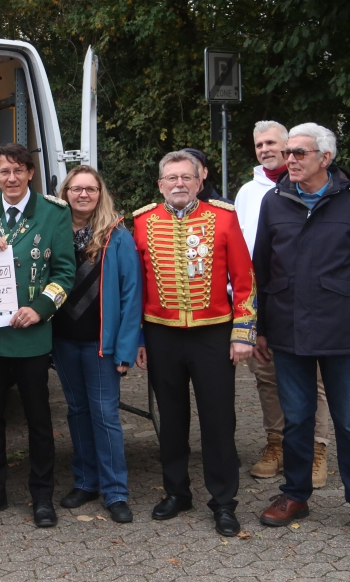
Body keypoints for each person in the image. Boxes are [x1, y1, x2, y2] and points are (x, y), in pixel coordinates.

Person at [253, 123, 350, 544]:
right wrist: (257, 328)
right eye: (288, 152)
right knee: (296, 421)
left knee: (349, 423)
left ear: (324, 159)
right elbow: (260, 267)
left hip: (342, 331)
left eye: (299, 153)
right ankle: (295, 494)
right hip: (288, 330)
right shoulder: (275, 201)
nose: (289, 159)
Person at [134, 150, 255, 537]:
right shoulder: (141, 222)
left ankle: (223, 502)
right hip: (160, 333)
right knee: (170, 419)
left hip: (213, 334)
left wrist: (242, 333)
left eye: (186, 177)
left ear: (199, 181)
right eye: (171, 178)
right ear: (160, 185)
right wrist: (139, 339)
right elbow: (133, 286)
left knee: (219, 421)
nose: (179, 184)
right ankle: (176, 492)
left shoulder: (223, 218)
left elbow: (245, 278)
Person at [0, 143, 76, 528]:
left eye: (19, 170)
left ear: (30, 174)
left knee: (39, 420)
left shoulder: (54, 213)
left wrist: (39, 308)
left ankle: (42, 496)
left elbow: (64, 274)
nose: (11, 178)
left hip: (31, 337)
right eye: (4, 171)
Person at [234, 121, 331, 487]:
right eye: (259, 144)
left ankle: (316, 448)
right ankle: (276, 443)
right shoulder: (248, 192)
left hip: (307, 300)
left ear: (289, 145)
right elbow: (242, 249)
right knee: (266, 376)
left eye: (272, 142)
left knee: (315, 378)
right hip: (262, 299)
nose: (265, 149)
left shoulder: (309, 186)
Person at [51, 166, 142, 524]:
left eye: (91, 189)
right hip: (63, 340)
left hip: (101, 344)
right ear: (66, 193)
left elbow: (131, 294)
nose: (83, 195)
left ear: (100, 194)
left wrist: (124, 349)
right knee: (77, 411)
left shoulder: (116, 236)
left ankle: (115, 491)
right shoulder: (54, 232)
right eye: (76, 189)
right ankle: (86, 482)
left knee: (105, 415)